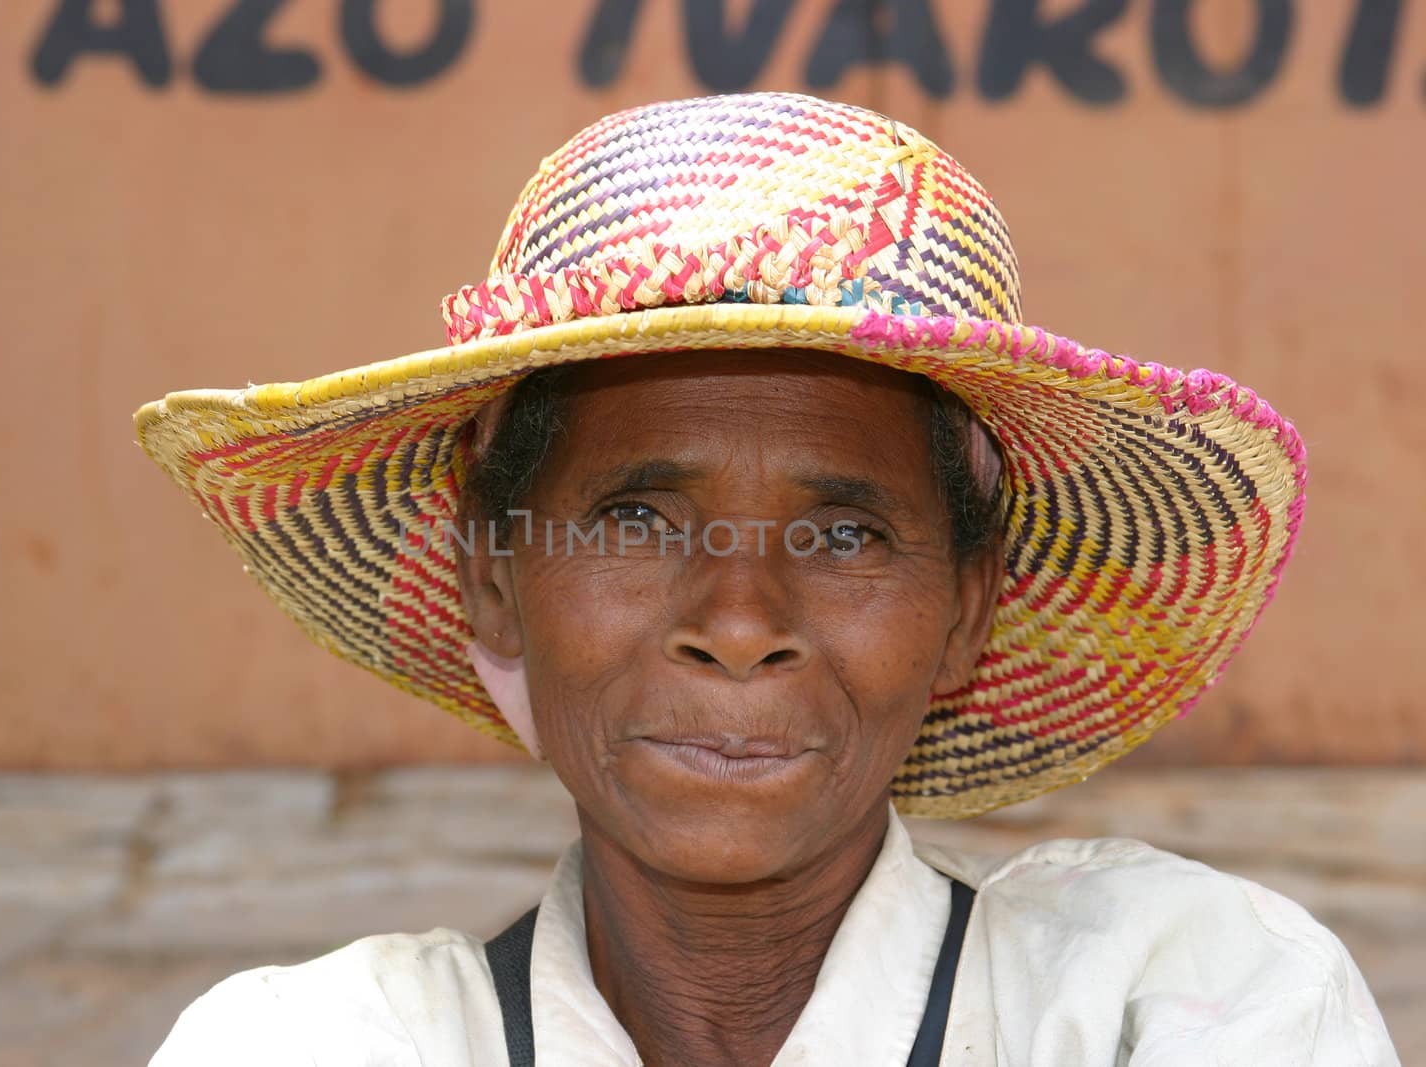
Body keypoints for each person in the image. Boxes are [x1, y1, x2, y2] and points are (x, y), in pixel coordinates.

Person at [136, 92, 1398, 1065]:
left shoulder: (1171, 1005)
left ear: (965, 607)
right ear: (493, 581)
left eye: (845, 536)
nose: (739, 625)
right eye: (634, 518)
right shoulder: (323, 1044)